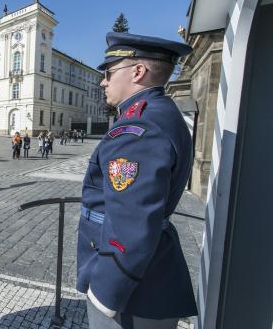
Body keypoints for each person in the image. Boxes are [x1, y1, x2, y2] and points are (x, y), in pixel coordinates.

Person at [76, 32, 196, 328]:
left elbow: (132, 221)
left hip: (132, 291)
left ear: (138, 71)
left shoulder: (139, 126)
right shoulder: (160, 113)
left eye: (109, 72)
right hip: (149, 278)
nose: (103, 81)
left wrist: (106, 290)